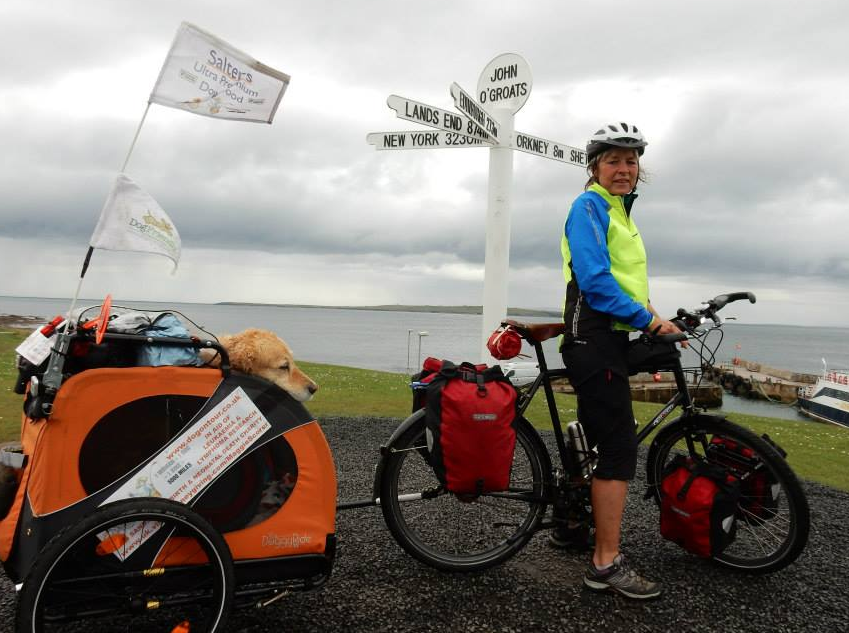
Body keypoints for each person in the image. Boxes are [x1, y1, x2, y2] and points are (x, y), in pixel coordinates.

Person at [554, 122, 681, 600]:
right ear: (595, 167)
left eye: (631, 162)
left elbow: (625, 284)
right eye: (614, 161)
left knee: (602, 437)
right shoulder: (588, 206)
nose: (624, 169)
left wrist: (656, 317)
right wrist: (647, 324)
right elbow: (595, 281)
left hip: (610, 335)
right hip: (593, 340)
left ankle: (571, 522)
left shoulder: (619, 212)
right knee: (619, 450)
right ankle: (604, 565)